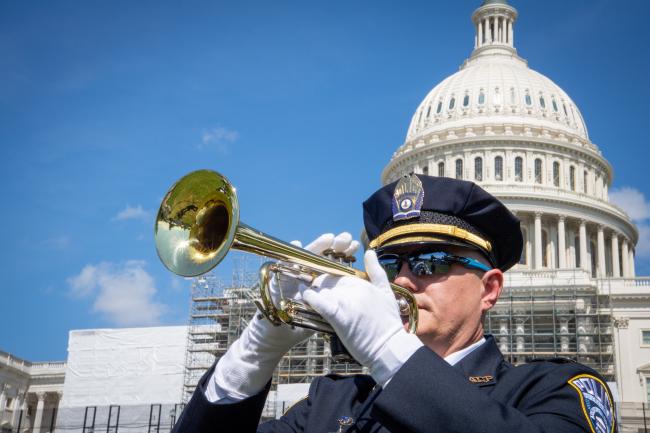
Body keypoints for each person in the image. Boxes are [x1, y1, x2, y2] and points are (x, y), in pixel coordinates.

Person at [172, 174, 616, 433]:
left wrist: (387, 348)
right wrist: (256, 351)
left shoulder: (553, 387)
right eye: (387, 263)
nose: (401, 278)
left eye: (429, 262)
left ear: (490, 289)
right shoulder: (329, 403)